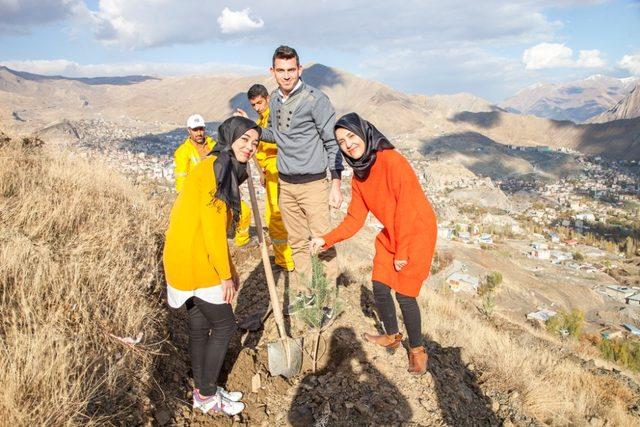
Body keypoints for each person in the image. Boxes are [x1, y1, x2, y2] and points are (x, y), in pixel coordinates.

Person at [310, 112, 437, 375]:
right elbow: (354, 219)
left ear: (365, 133)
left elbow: (407, 207)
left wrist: (402, 251)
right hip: (393, 233)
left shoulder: (392, 161)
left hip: (416, 233)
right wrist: (326, 239)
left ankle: (417, 350)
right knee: (380, 284)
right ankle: (391, 335)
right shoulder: (359, 176)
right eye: (341, 141)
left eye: (351, 136)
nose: (348, 144)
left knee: (405, 294)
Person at [163, 116, 261, 416]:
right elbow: (212, 228)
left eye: (254, 143)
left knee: (199, 325)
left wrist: (228, 267)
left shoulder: (213, 164)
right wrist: (226, 274)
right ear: (229, 137)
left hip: (181, 255)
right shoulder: (217, 170)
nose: (250, 147)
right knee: (225, 325)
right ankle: (206, 394)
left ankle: (202, 389)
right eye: (244, 140)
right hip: (198, 258)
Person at [238, 46, 343, 302]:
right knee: (296, 243)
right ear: (272, 71)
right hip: (286, 184)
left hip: (313, 184)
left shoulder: (315, 100)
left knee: (322, 243)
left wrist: (336, 183)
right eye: (281, 70)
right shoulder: (273, 100)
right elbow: (275, 135)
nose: (286, 76)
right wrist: (251, 129)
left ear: (300, 69)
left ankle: (327, 297)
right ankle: (306, 293)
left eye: (291, 70)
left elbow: (332, 141)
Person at [173, 114, 251, 247]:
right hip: (200, 193)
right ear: (189, 131)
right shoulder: (182, 152)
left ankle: (242, 244)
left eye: (201, 129)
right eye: (195, 129)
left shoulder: (213, 144)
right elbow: (181, 179)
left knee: (244, 211)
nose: (199, 133)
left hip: (221, 188)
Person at [246, 83, 295, 271]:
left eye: (260, 103)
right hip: (269, 172)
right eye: (254, 105)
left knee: (276, 215)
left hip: (278, 169)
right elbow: (258, 152)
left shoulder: (274, 118)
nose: (257, 107)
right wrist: (262, 173)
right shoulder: (260, 121)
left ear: (267, 98)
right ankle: (283, 258)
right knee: (274, 215)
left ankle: (286, 262)